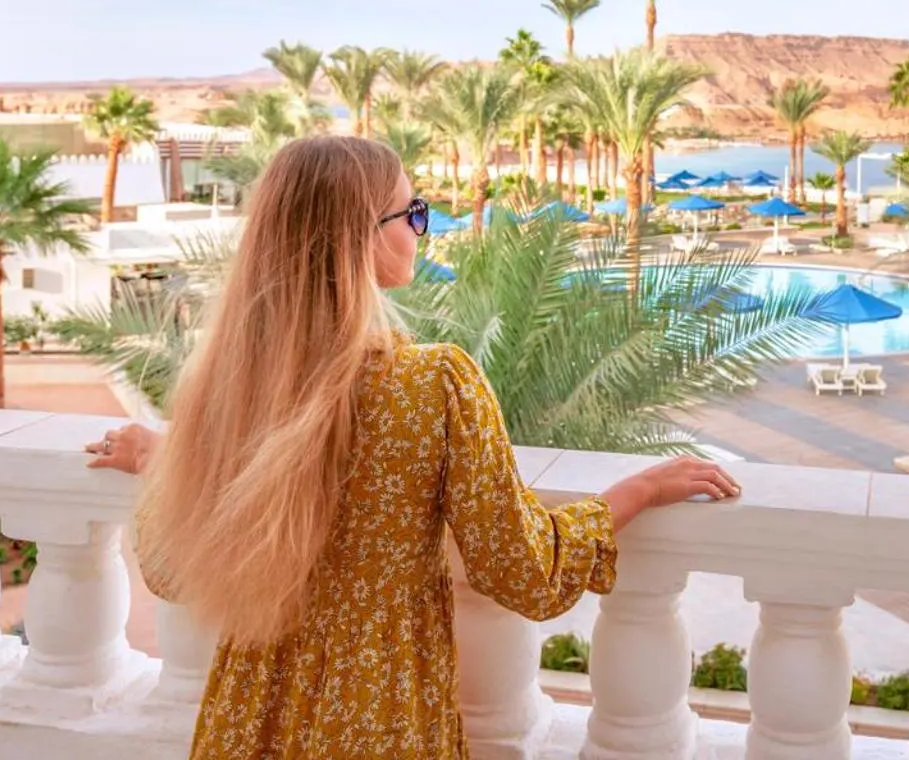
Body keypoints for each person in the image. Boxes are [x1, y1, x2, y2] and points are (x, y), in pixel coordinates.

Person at [85, 135, 738, 758]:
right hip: (380, 716)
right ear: (359, 237)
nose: (420, 229)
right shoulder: (432, 386)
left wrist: (157, 460)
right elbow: (524, 571)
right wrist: (639, 491)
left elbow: (172, 572)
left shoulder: (229, 389)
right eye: (412, 211)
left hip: (249, 718)